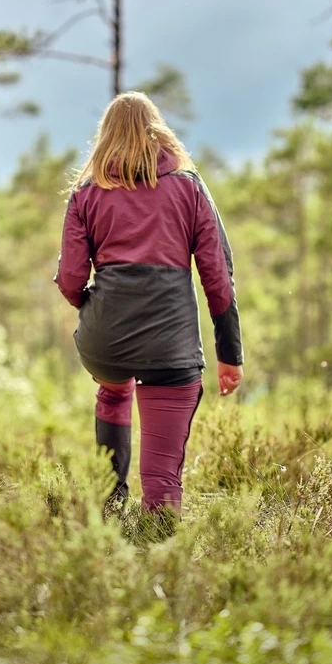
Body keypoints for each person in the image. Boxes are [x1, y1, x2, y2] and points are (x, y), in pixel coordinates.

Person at [55, 92, 244, 514]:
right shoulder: (188, 186)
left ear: (106, 138)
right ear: (157, 131)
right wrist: (229, 353)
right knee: (161, 484)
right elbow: (217, 276)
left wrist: (92, 306)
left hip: (106, 342)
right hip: (170, 349)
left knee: (113, 389)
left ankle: (110, 503)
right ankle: (157, 548)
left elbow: (70, 279)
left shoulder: (86, 193)